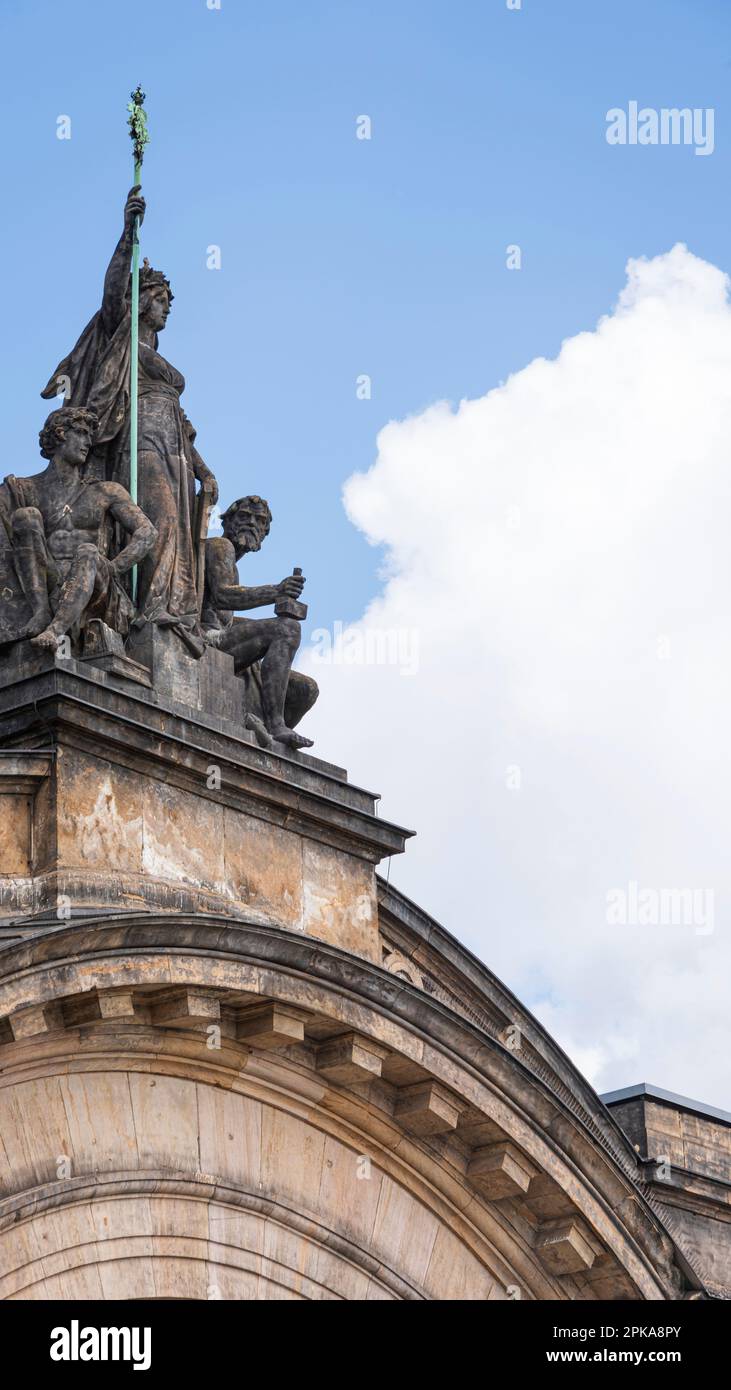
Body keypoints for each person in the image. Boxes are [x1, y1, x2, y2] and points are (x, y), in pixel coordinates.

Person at [41, 187, 217, 649]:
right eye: (162, 297)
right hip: (138, 437)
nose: (168, 306)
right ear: (143, 299)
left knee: (177, 523)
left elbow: (184, 419)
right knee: (157, 519)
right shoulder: (121, 334)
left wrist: (203, 469)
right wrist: (128, 232)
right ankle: (152, 614)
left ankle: (173, 613)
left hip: (173, 442)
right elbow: (113, 287)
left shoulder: (154, 352)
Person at [0, 406, 156, 649]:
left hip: (96, 583)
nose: (87, 443)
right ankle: (40, 610)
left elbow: (147, 532)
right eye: (81, 433)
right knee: (26, 516)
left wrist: (113, 568)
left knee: (87, 552)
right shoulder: (23, 488)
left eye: (89, 436)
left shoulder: (105, 491)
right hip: (48, 578)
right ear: (59, 434)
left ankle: (54, 631)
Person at [201, 496, 318, 749]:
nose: (252, 524)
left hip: (222, 638)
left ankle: (265, 731)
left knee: (305, 690)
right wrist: (276, 591)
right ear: (228, 521)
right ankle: (276, 726)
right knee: (287, 629)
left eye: (260, 521)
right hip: (204, 640)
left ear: (265, 532)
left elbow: (226, 615)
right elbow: (223, 596)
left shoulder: (232, 561)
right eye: (244, 517)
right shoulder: (220, 546)